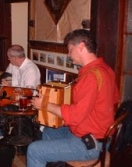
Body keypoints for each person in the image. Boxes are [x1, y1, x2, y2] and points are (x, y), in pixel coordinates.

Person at [27, 29, 120, 167]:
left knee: (34, 150)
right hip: (99, 136)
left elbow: (75, 116)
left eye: (70, 50)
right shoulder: (106, 69)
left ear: (81, 46)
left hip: (91, 144)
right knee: (49, 131)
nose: (69, 55)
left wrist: (45, 104)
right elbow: (111, 101)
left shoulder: (91, 76)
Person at [0, 44, 41, 145]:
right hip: (13, 97)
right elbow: (7, 77)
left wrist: (11, 85)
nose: (8, 59)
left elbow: (27, 92)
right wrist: (6, 83)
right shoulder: (13, 65)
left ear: (15, 58)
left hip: (26, 102)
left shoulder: (31, 69)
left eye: (9, 57)